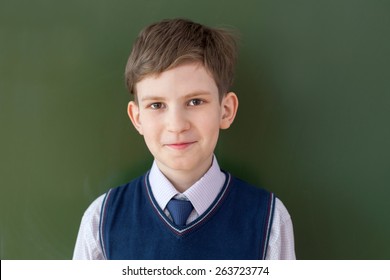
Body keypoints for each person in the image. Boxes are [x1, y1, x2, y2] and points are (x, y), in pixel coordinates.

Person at [73, 18, 295, 260]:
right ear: (137, 118)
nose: (177, 125)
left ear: (226, 110)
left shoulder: (269, 221)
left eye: (195, 102)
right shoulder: (100, 222)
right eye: (156, 105)